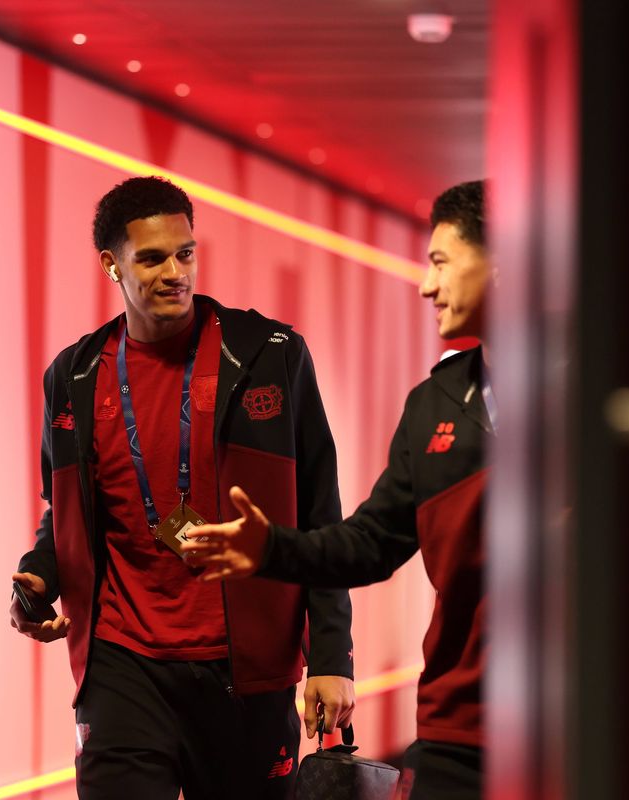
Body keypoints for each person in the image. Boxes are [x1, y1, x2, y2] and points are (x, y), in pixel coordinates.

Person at [10, 176, 355, 799]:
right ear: (111, 265)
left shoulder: (271, 354)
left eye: (185, 253)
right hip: (123, 664)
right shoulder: (76, 374)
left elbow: (320, 513)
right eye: (151, 258)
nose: (175, 272)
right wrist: (40, 574)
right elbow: (61, 511)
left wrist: (331, 657)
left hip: (247, 666)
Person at [182, 180, 493, 799]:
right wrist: (272, 549)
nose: (427, 287)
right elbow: (371, 543)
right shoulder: (433, 404)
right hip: (460, 731)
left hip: (584, 718)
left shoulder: (611, 392)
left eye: (439, 263)